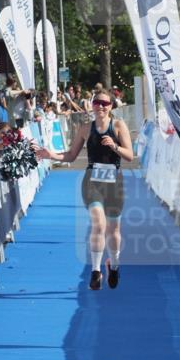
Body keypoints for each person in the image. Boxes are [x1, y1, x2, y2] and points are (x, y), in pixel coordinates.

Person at [35, 89, 133, 291]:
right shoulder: (85, 128)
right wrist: (50, 154)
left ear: (111, 106)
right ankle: (96, 271)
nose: (101, 107)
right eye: (97, 102)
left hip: (114, 181)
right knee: (98, 223)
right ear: (92, 104)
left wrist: (114, 146)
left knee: (113, 230)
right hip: (92, 181)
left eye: (105, 103)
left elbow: (130, 155)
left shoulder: (118, 125)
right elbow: (71, 156)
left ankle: (113, 266)